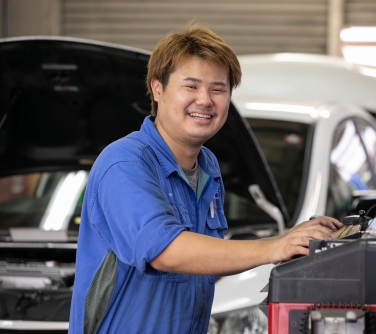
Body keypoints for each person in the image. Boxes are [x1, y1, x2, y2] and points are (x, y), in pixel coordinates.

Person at [69, 23, 343, 333]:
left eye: (218, 88)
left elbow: (201, 261)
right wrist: (274, 246)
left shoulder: (207, 166)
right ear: (157, 89)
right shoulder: (125, 163)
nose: (205, 100)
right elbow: (165, 251)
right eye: (191, 86)